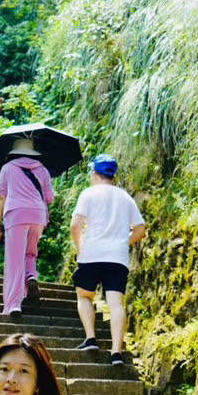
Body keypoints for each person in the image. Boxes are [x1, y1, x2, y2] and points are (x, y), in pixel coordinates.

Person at [71, 154, 146, 367]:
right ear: (113, 176)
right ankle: (116, 352)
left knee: (84, 296)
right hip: (117, 258)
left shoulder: (89, 194)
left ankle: (91, 338)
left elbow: (75, 225)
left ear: (94, 174)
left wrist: (80, 248)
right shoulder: (125, 198)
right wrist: (123, 243)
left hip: (92, 254)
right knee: (116, 303)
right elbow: (140, 230)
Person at [0, 137, 55, 315]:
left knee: (14, 260)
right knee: (30, 253)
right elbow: (50, 198)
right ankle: (31, 277)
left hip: (16, 214)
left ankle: (13, 304)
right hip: (37, 215)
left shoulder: (7, 168)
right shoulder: (43, 169)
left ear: (14, 151)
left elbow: (1, 198)